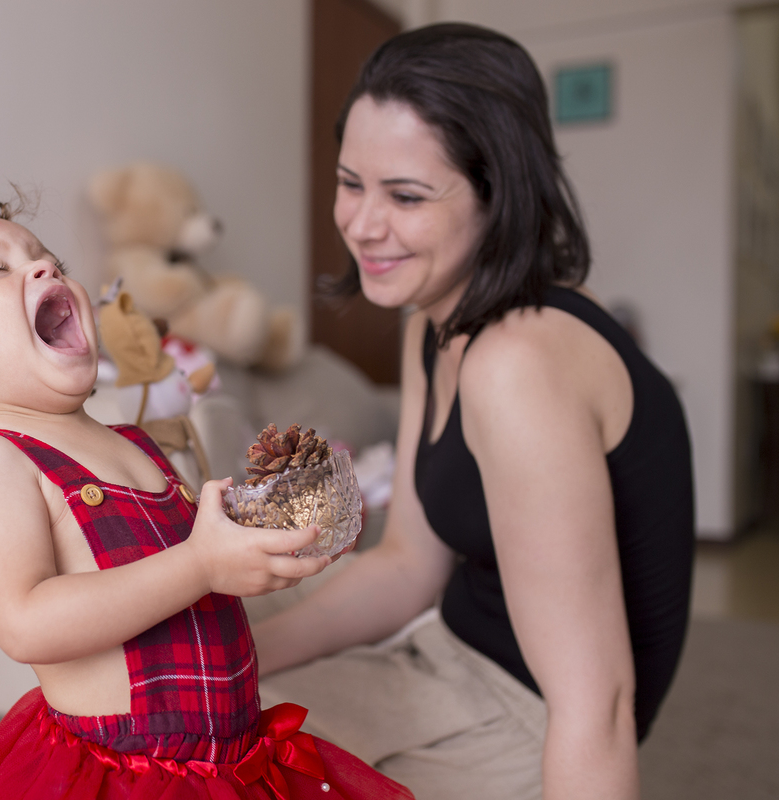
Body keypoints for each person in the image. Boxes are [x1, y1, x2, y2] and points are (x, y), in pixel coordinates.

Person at [0, 191, 413, 800]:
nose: (43, 268)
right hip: (128, 775)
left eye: (49, 260)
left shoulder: (131, 439)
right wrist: (200, 563)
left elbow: (180, 580)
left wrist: (247, 550)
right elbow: (25, 622)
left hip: (232, 765)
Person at [251, 23, 694, 800]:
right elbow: (407, 565)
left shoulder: (518, 363)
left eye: (406, 196)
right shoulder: (433, 321)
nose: (361, 224)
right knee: (194, 710)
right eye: (351, 183)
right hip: (445, 657)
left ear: (500, 194)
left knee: (218, 764)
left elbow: (596, 705)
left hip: (527, 721)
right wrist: (243, 657)